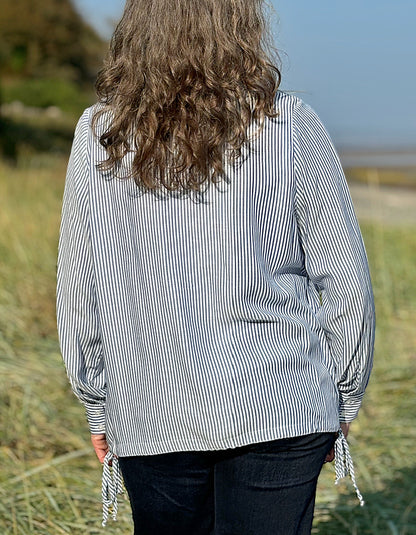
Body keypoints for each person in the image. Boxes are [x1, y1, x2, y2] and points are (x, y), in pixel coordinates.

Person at [56, 0, 375, 533]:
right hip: (282, 398)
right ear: (242, 29)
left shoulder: (100, 133)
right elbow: (344, 277)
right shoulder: (290, 124)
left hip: (148, 401)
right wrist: (342, 397)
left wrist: (96, 400)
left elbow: (78, 285)